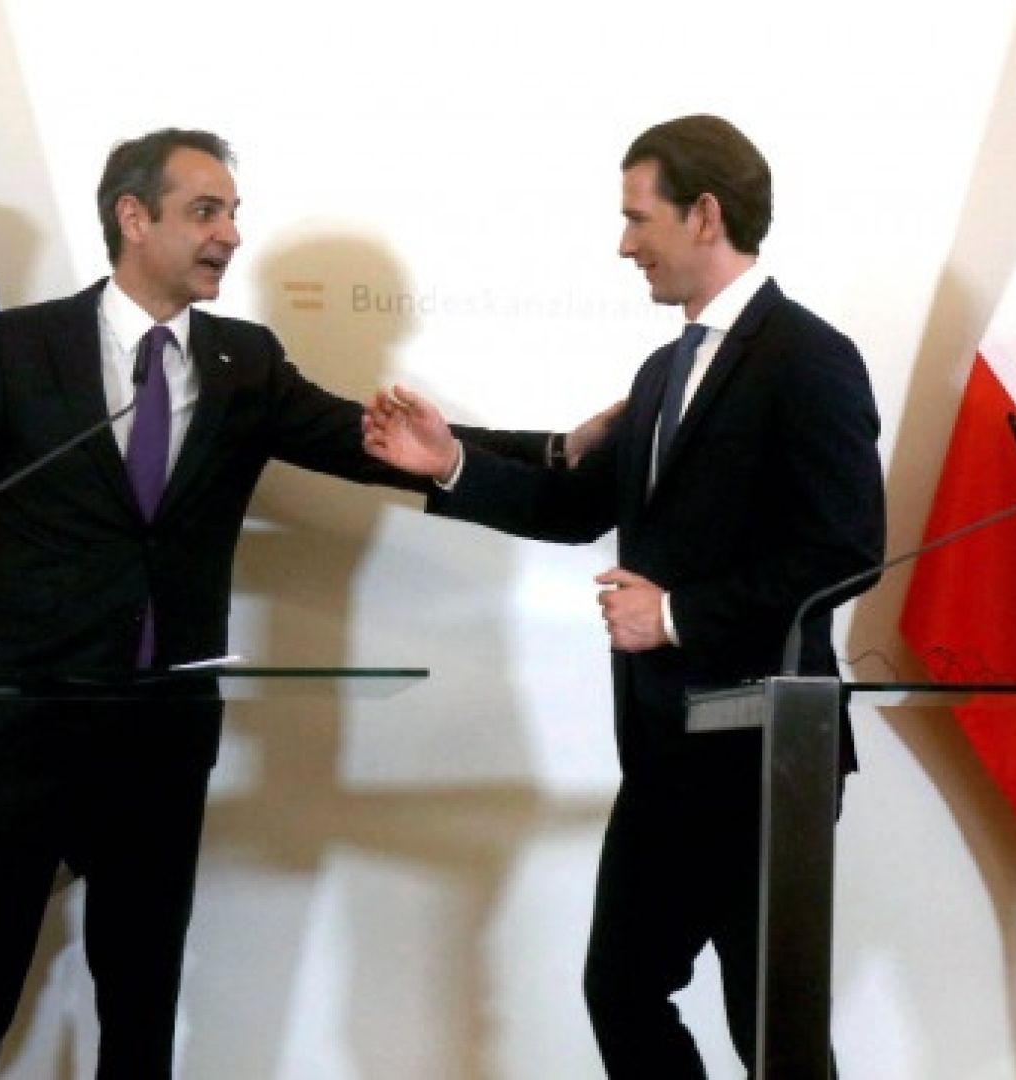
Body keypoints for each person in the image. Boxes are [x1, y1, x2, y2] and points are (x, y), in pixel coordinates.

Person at [0, 128, 454, 1079]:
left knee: (139, 1015)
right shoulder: (21, 347)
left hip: (158, 743)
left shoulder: (245, 362)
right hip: (19, 736)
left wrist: (555, 457)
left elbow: (383, 446)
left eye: (234, 214)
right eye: (206, 211)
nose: (230, 234)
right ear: (134, 218)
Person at [364, 114, 884, 1077]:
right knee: (624, 990)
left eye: (638, 218)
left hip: (770, 758)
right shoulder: (661, 371)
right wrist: (449, 465)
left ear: (705, 215)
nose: (623, 244)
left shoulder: (810, 356)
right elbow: (575, 507)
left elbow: (846, 549)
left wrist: (675, 615)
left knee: (771, 1029)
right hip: (663, 752)